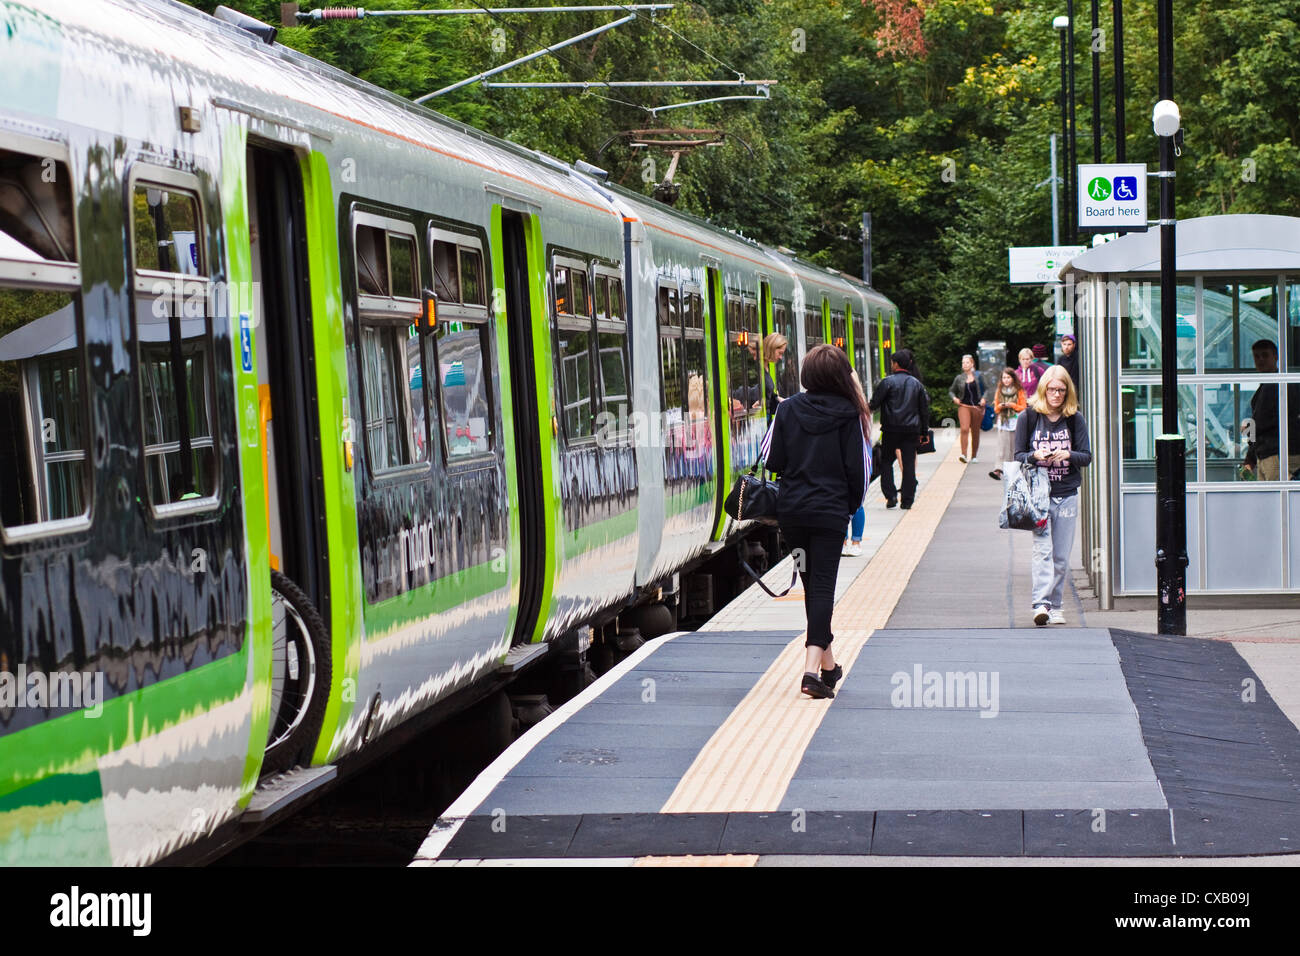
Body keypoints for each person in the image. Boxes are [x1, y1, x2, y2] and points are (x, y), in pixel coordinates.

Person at [764, 344, 870, 699]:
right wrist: (850, 508)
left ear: (808, 374)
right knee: (822, 587)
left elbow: (773, 460)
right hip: (829, 515)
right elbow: (858, 470)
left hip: (793, 514)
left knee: (813, 587)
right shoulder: (849, 414)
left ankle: (829, 666)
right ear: (840, 375)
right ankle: (811, 673)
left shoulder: (788, 409)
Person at [1014, 365, 1092, 626]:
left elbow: (1086, 457)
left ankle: (1056, 605)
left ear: (1067, 392)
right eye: (1052, 389)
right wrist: (1035, 456)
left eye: (1061, 390)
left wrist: (1068, 454)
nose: (1056, 394)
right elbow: (1017, 456)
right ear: (1043, 389)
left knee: (1060, 556)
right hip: (1039, 496)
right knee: (1042, 551)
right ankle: (1041, 604)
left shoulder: (1074, 418)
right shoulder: (1029, 417)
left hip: (1066, 494)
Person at [868, 347, 929, 510]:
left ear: (895, 364)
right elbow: (924, 410)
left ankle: (891, 496)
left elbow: (873, 405)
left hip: (890, 430)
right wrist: (924, 432)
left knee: (886, 462)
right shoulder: (917, 384)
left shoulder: (887, 382)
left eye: (892, 363)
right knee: (909, 464)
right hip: (911, 431)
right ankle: (907, 500)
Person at [1242, 338, 1300, 481]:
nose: (1260, 360)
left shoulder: (1274, 385)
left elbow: (1259, 423)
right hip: (1273, 453)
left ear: (1275, 357)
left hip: (1276, 454)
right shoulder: (1277, 384)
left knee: (1276, 498)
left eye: (1265, 355)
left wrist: (1249, 427)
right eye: (1257, 356)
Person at [844, 368, 868, 557]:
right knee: (856, 501)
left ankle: (850, 540)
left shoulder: (852, 406)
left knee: (845, 500)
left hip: (852, 457)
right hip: (858, 458)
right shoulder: (861, 405)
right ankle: (855, 542)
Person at [988, 367, 1026, 481]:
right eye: (1004, 377)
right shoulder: (999, 391)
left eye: (1008, 377)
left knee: (1014, 446)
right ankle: (998, 469)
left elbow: (1023, 406)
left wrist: (1012, 405)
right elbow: (996, 409)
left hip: (1016, 421)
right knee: (1002, 446)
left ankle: (1014, 468)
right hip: (1004, 421)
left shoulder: (1019, 390)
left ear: (1013, 378)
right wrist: (1001, 406)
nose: (1006, 380)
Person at [949, 353, 988, 463]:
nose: (965, 364)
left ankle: (974, 456)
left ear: (972, 363)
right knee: (964, 429)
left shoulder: (979, 376)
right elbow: (951, 391)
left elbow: (987, 389)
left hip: (977, 407)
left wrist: (984, 399)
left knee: (975, 431)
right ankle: (963, 454)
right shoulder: (959, 378)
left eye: (967, 362)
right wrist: (954, 398)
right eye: (963, 363)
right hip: (964, 406)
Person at [760, 333, 788, 421]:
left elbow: (770, 394)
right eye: (780, 353)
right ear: (771, 348)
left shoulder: (766, 367)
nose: (780, 357)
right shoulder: (759, 367)